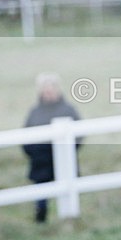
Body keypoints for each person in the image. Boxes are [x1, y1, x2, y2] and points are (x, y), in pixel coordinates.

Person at [22, 72, 82, 222]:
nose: (48, 93)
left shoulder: (68, 110)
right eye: (45, 89)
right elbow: (25, 136)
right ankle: (40, 218)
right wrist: (34, 153)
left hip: (64, 159)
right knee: (41, 194)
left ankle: (70, 219)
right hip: (41, 162)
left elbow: (79, 133)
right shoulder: (34, 113)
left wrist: (70, 151)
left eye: (51, 89)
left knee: (68, 191)